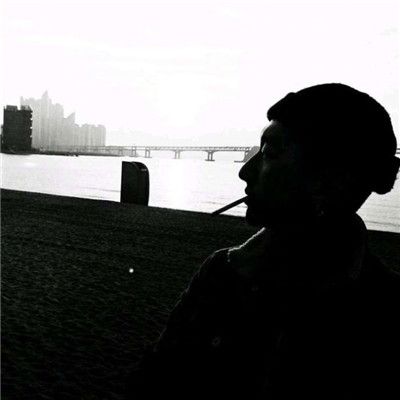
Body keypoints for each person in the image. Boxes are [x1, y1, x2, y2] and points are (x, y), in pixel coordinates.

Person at [126, 83, 400, 399]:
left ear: (329, 180)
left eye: (269, 153)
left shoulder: (382, 311)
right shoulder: (222, 270)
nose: (245, 171)